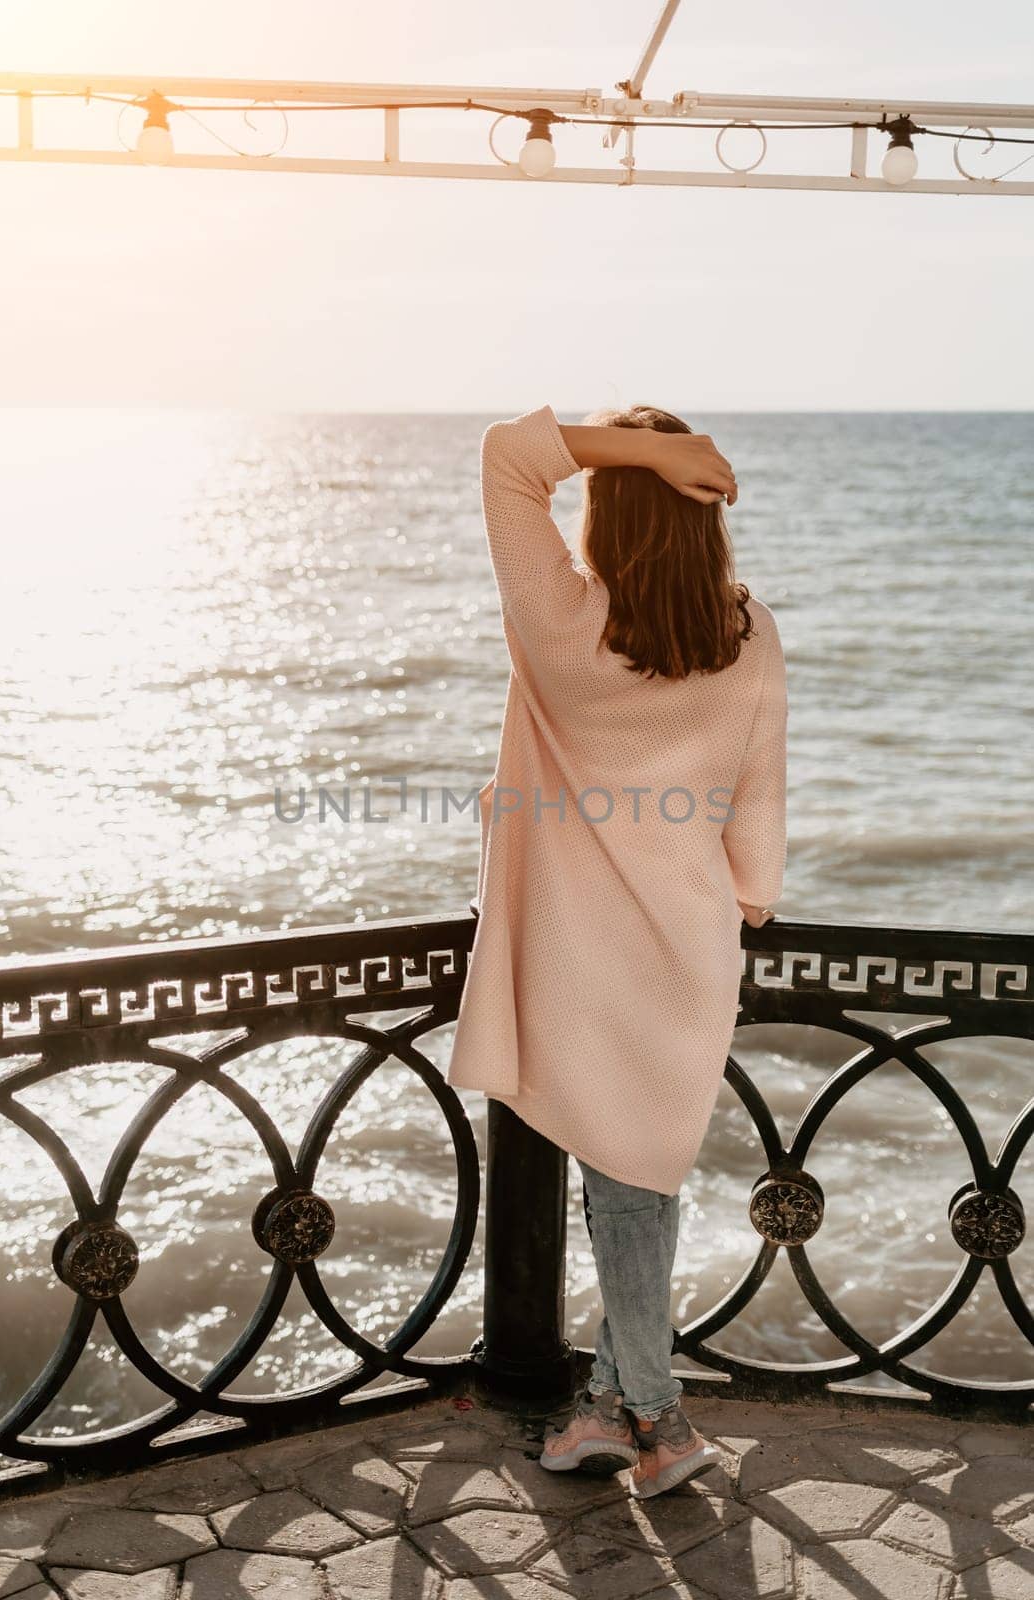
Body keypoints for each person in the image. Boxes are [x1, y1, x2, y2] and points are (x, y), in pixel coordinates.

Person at [446, 403, 787, 1500]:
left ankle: (655, 1414)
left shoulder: (564, 623)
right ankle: (610, 1401)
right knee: (636, 1172)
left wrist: (639, 448)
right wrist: (744, 897)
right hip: (687, 944)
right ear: (697, 524)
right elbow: (759, 811)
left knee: (629, 1179)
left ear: (612, 514)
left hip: (580, 958)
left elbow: (508, 458)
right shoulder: (748, 631)